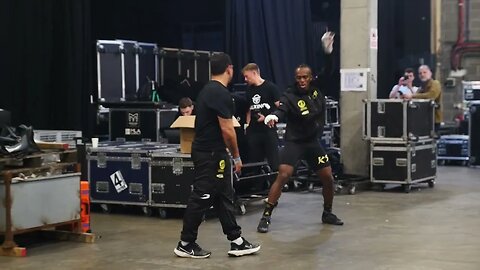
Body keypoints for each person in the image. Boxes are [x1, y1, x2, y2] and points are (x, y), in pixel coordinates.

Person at [174, 53, 260, 258]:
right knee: (202, 196)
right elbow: (228, 130)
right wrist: (237, 157)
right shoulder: (219, 93)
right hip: (209, 154)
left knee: (224, 195)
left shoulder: (207, 90)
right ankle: (186, 243)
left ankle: (236, 240)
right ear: (229, 69)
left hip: (215, 152)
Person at [256, 31, 343, 233]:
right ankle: (266, 215)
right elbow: (282, 108)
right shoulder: (290, 94)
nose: (302, 80)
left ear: (310, 78)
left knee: (328, 178)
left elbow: (329, 70)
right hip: (295, 142)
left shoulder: (317, 88)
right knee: (284, 174)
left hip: (313, 142)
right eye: (298, 78)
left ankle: (327, 212)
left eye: (305, 77)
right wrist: (274, 116)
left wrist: (328, 52)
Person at [242, 63, 281, 170]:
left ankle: (277, 185)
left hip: (268, 130)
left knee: (274, 162)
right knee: (255, 162)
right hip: (254, 132)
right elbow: (248, 110)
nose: (245, 79)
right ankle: (258, 185)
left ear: (254, 73)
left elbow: (280, 107)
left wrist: (269, 117)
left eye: (247, 76)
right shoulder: (249, 90)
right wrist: (247, 125)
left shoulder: (271, 87)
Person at [403, 65, 443, 130]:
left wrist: (412, 96)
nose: (422, 75)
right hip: (423, 119)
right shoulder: (422, 87)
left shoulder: (435, 83)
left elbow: (431, 96)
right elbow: (416, 96)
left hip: (434, 119)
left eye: (424, 72)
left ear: (430, 73)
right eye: (420, 73)